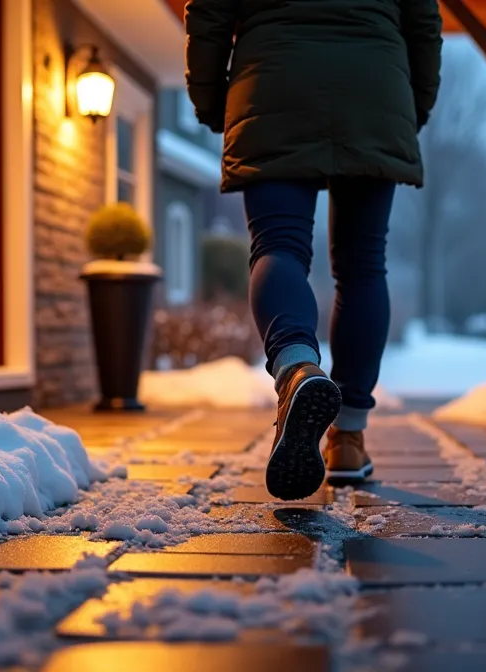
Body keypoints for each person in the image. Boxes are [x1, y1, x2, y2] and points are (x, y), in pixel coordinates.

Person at [185, 0, 443, 501]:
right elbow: (423, 22)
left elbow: (210, 12)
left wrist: (215, 101)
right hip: (374, 84)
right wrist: (414, 104)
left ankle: (297, 367)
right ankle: (347, 438)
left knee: (277, 246)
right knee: (363, 265)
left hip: (273, 79)